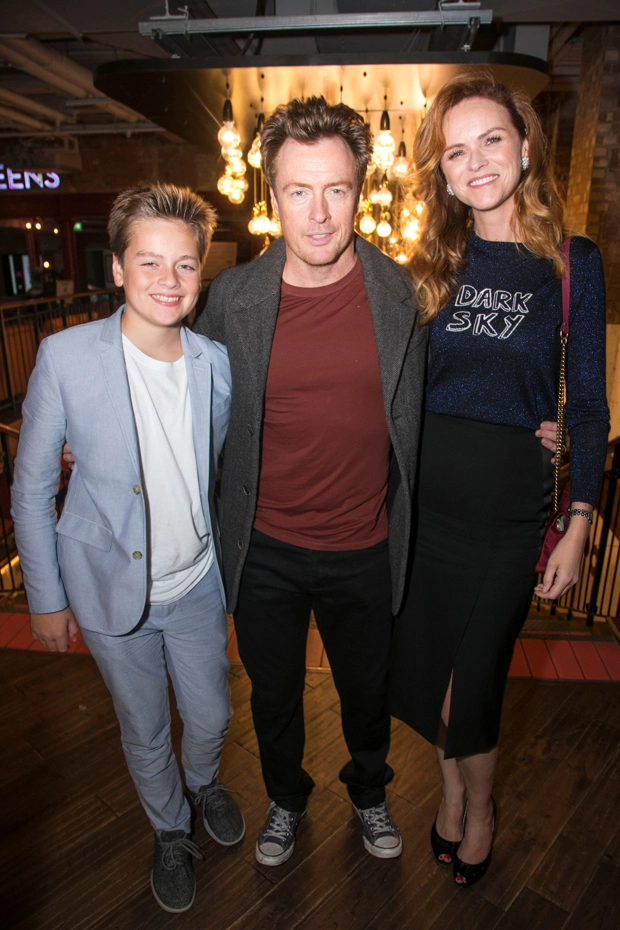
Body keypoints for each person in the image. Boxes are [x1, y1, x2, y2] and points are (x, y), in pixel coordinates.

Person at [195, 96, 427, 865]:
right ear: (272, 195)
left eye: (336, 189)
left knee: (368, 694)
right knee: (274, 698)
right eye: (299, 190)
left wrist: (535, 423)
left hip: (366, 544)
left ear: (361, 190)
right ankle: (286, 800)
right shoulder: (232, 300)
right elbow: (186, 406)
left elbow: (439, 402)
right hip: (264, 548)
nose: (320, 213)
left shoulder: (404, 295)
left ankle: (369, 791)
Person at [390, 72, 609, 887]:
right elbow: (395, 385)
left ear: (523, 147)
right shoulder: (428, 262)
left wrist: (580, 518)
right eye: (456, 149)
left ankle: (478, 809)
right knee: (424, 679)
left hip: (510, 510)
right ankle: (452, 793)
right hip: (422, 504)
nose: (476, 160)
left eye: (491, 140)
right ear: (440, 169)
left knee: (470, 682)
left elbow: (587, 404)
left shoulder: (571, 265)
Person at [11, 183, 245, 914]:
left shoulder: (214, 361)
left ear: (199, 273)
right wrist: (46, 599)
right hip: (109, 589)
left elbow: (216, 464)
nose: (168, 281)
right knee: (144, 728)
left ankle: (203, 783)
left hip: (198, 582)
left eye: (183, 265)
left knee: (210, 717)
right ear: (117, 269)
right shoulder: (63, 356)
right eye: (149, 263)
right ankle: (171, 829)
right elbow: (31, 486)